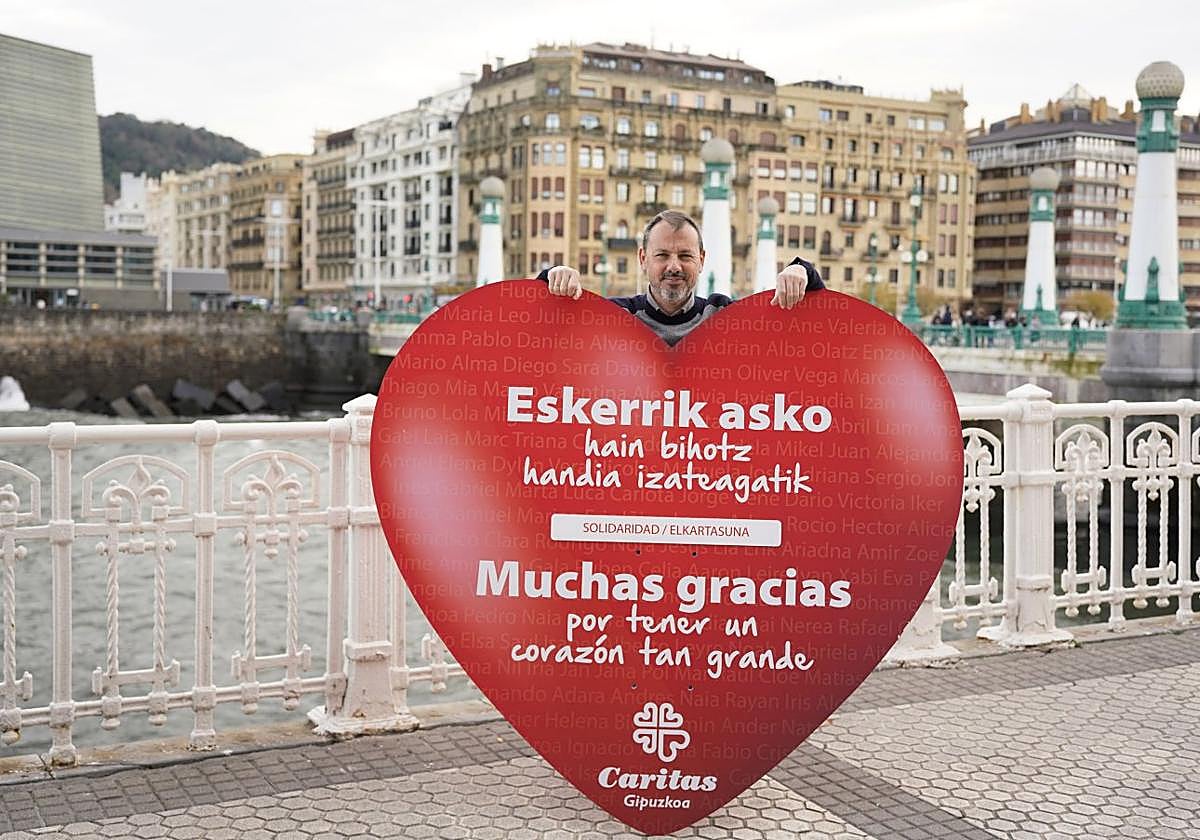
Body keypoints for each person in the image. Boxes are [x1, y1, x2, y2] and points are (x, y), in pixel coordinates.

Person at [538, 210, 823, 346]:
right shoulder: (616, 316)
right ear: (642, 259)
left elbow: (805, 331)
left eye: (685, 256)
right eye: (662, 255)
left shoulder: (725, 315)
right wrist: (551, 279)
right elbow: (531, 327)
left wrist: (802, 271)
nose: (674, 266)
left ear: (701, 260)